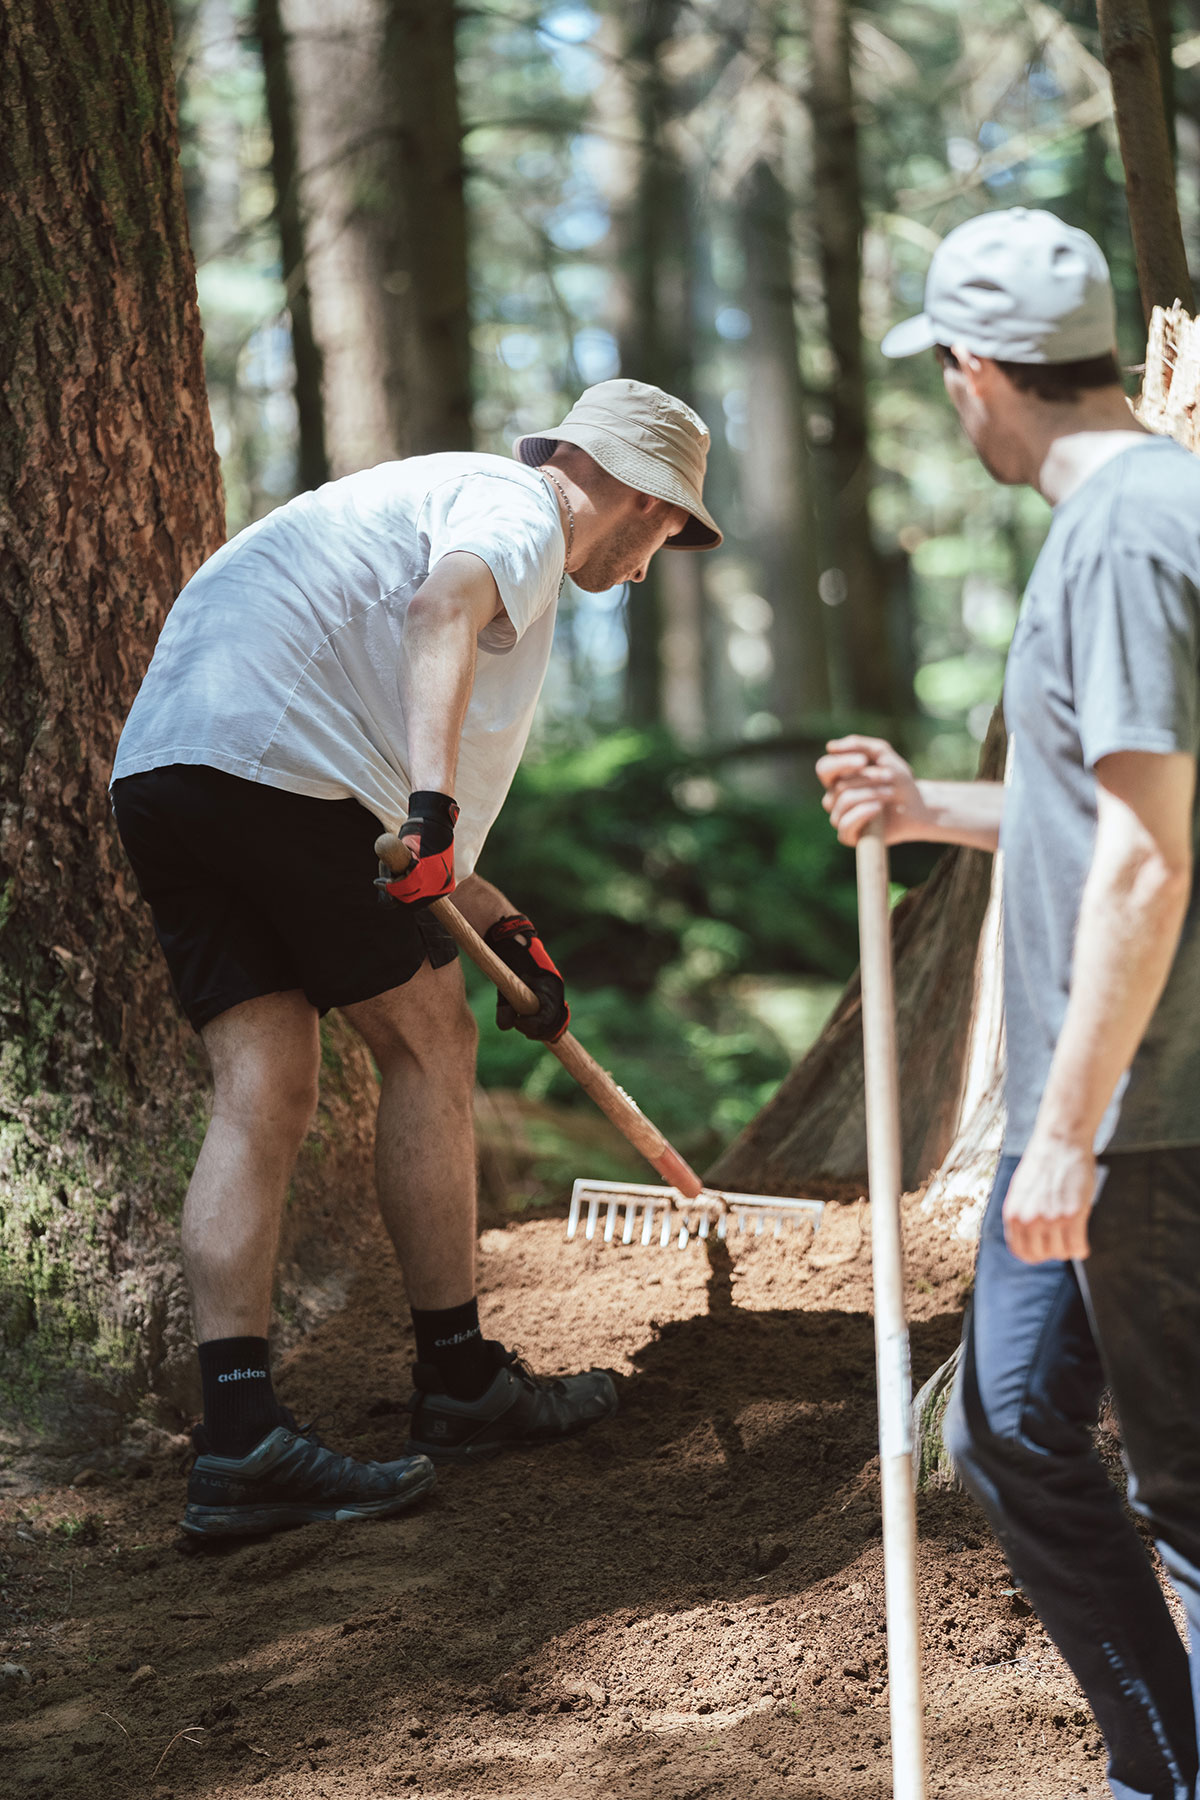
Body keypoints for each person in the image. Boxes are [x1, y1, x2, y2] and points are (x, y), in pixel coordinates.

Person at [110, 378, 723, 1540]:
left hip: (175, 769)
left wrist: (500, 923)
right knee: (433, 1042)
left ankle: (238, 1444)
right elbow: (440, 615)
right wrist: (436, 814)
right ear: (634, 494)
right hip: (282, 771)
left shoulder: (435, 494)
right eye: (669, 530)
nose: (652, 565)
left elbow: (397, 845)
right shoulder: (525, 508)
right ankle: (461, 1381)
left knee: (264, 1088)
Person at [817, 209, 1200, 1800]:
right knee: (1008, 1429)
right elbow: (1110, 801)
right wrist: (935, 809)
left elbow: (1142, 857)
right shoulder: (1153, 513)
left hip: (1133, 1112)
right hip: (1118, 1099)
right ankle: (1162, 1765)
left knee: (1174, 1491)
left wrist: (1061, 1133)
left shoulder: (1124, 533)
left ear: (976, 374)